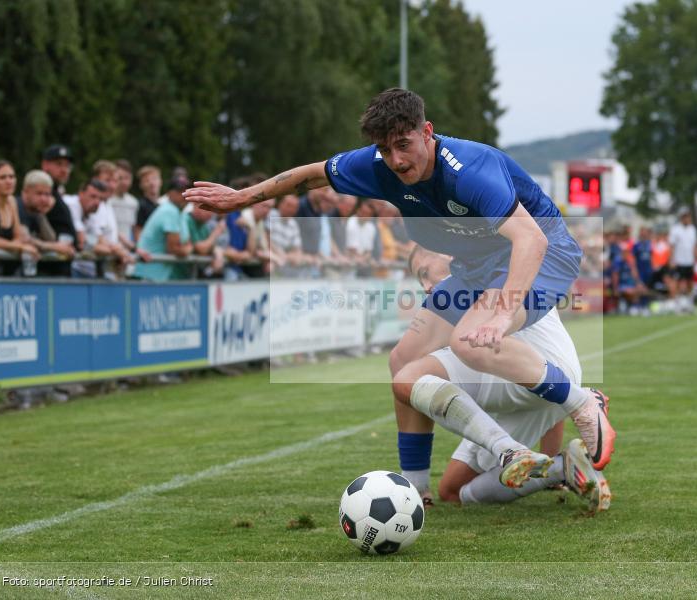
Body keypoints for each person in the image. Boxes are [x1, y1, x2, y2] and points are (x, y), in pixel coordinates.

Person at [186, 88, 616, 483]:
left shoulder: (469, 171)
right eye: (385, 149)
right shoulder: (379, 165)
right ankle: (416, 486)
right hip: (476, 268)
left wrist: (502, 312)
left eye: (404, 145)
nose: (395, 160)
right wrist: (243, 197)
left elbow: (531, 238)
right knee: (403, 361)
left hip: (545, 254)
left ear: (427, 132)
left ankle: (581, 403)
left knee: (471, 341)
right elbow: (310, 175)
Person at [409, 246, 611, 511]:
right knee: (543, 378)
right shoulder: (512, 269)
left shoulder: (467, 285)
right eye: (418, 280)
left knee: (451, 491)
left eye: (425, 273)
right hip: (553, 380)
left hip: (530, 384)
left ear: (449, 255)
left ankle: (558, 468)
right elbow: (544, 367)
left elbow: (411, 360)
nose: (425, 286)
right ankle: (562, 461)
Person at [133, 176, 193, 282]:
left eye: (187, 191)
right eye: (179, 191)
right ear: (169, 193)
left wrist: (186, 248)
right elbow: (173, 248)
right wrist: (187, 249)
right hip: (148, 276)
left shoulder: (180, 212)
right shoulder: (169, 211)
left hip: (158, 275)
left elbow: (187, 243)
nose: (184, 195)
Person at [16, 170, 77, 272]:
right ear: (26, 192)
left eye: (47, 194)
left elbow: (51, 238)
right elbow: (25, 239)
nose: (44, 199)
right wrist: (56, 247)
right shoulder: (17, 207)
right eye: (39, 194)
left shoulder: (36, 211)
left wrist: (41, 216)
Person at [0, 160, 38, 275]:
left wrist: (18, 245)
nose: (9, 181)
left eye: (12, 177)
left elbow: (17, 236)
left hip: (4, 268)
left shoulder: (12, 202)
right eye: (2, 177)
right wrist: (21, 247)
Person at [39, 145, 77, 277]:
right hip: (45, 270)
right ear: (45, 165)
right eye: (59, 164)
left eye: (67, 166)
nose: (64, 170)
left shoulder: (58, 194)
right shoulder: (40, 193)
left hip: (62, 267)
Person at [668, 208, 697, 314]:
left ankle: (689, 304)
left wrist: (695, 260)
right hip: (679, 261)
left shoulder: (693, 229)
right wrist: (672, 260)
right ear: (681, 218)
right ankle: (677, 305)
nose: (687, 218)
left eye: (688, 216)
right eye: (685, 216)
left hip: (689, 261)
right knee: (677, 283)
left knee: (690, 283)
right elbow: (672, 246)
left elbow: (694, 246)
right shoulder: (675, 229)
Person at [108, 159, 140, 251]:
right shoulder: (107, 200)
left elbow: (134, 229)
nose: (124, 182)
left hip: (127, 252)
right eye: (120, 178)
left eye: (127, 178)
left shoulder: (133, 202)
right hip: (111, 249)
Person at [134, 165, 163, 241]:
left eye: (154, 179)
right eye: (147, 180)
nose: (151, 183)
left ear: (160, 181)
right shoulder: (140, 205)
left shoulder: (162, 206)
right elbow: (138, 231)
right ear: (141, 185)